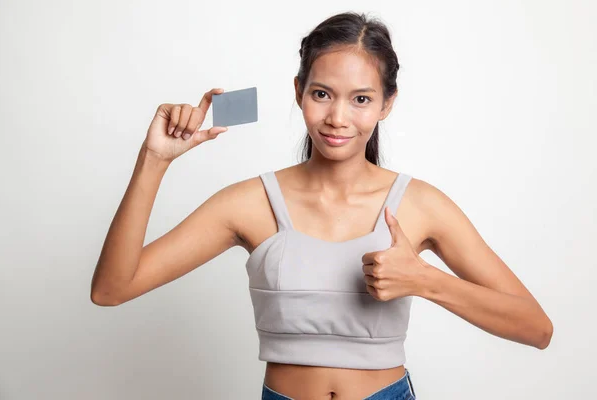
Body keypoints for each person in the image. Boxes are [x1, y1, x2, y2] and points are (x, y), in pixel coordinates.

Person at [90, 11, 553, 400]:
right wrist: (153, 159)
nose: (337, 118)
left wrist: (425, 280)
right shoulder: (250, 202)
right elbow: (111, 289)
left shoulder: (420, 204)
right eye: (321, 94)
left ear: (387, 104)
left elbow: (536, 328)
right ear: (298, 91)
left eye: (361, 100)